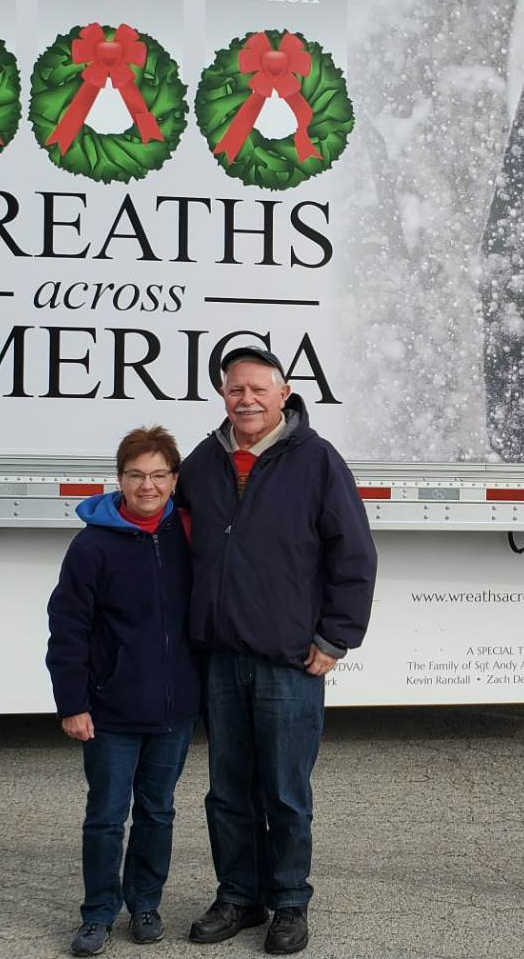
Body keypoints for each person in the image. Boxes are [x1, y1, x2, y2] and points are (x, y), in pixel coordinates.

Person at [179, 345, 376, 955]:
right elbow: (165, 530)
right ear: (222, 394)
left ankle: (289, 902)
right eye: (236, 389)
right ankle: (239, 895)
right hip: (222, 658)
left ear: (283, 393)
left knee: (286, 792)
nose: (247, 400)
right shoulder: (203, 464)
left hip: (290, 661)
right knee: (227, 789)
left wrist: (335, 638)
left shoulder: (315, 460)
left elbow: (354, 554)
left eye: (259, 389)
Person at [45, 426, 201, 956]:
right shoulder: (92, 545)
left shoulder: (187, 535)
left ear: (174, 480)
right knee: (107, 816)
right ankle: (97, 914)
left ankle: (146, 904)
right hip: (109, 711)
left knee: (158, 812)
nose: (147, 485)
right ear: (120, 479)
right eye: (136, 475)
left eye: (159, 475)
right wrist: (74, 703)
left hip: (174, 710)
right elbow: (68, 626)